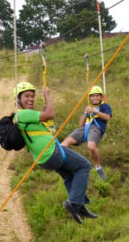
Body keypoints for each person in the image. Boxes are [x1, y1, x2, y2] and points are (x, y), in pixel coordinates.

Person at [14, 82, 96, 224]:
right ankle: (75, 204)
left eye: (32, 96)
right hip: (52, 153)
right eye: (26, 96)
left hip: (45, 158)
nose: (31, 99)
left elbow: (46, 119)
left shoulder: (24, 116)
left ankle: (78, 205)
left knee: (70, 174)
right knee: (84, 165)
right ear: (18, 99)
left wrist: (45, 112)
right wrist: (48, 96)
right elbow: (50, 114)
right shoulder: (23, 114)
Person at [61, 85, 112, 180]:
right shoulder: (88, 108)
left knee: (91, 146)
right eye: (93, 96)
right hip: (85, 128)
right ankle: (64, 165)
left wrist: (95, 112)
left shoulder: (105, 106)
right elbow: (81, 124)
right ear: (90, 98)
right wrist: (85, 113)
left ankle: (97, 166)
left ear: (101, 97)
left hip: (96, 128)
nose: (95, 98)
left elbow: (107, 117)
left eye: (97, 96)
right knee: (64, 144)